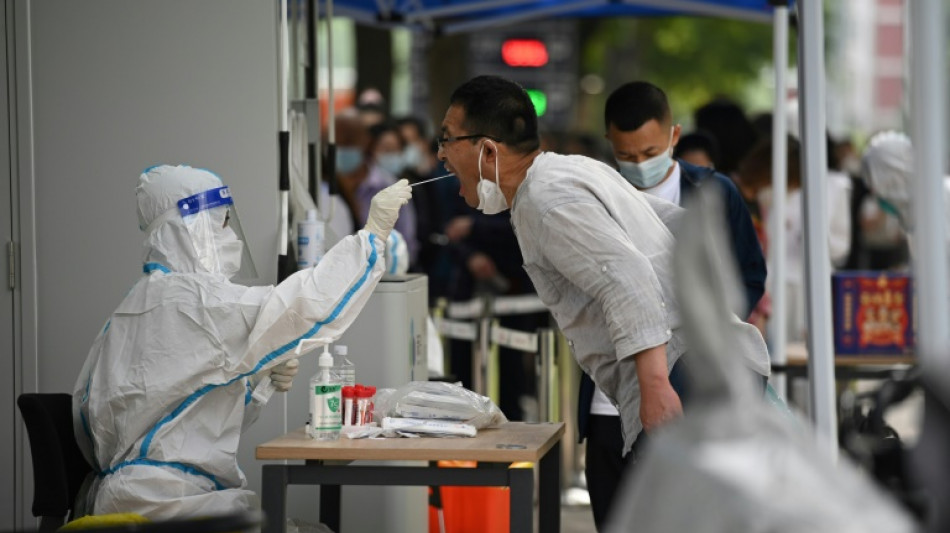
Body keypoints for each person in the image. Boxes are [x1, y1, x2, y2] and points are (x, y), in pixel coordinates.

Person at [436, 75, 770, 531]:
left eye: (447, 139)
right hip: (704, 366)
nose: (440, 155)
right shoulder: (568, 169)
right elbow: (672, 222)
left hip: (682, 378)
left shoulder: (546, 201)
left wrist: (654, 388)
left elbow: (626, 279)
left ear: (487, 151)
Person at [72, 164, 411, 518]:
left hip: (138, 497)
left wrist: (255, 382)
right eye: (222, 222)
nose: (231, 235)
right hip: (168, 505)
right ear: (191, 228)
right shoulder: (194, 301)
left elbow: (177, 411)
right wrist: (371, 235)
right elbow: (304, 304)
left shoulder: (136, 306)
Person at [578, 80, 766, 527]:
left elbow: (748, 277)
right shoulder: (594, 197)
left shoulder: (714, 194)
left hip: (690, 392)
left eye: (649, 152)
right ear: (610, 144)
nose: (638, 165)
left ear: (674, 137)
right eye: (626, 156)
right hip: (611, 397)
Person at [334, 111, 419, 264]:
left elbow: (408, 245)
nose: (343, 148)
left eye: (349, 141)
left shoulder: (389, 186)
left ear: (366, 142)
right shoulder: (324, 186)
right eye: (337, 143)